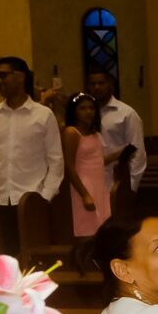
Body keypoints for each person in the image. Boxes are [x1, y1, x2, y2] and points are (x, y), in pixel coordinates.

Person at [0, 56, 65, 212]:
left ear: (21, 76)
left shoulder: (43, 115)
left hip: (32, 199)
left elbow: (56, 161)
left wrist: (44, 198)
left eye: (3, 75)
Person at [62, 92, 114, 237]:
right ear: (74, 111)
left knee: (101, 229)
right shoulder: (72, 132)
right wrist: (85, 194)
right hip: (83, 187)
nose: (88, 112)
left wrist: (119, 154)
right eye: (82, 108)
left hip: (99, 185)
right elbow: (69, 166)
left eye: (91, 108)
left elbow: (98, 161)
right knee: (86, 229)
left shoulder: (95, 133)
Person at [87, 69, 146, 193]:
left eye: (101, 83)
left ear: (110, 85)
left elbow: (137, 152)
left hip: (116, 182)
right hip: (90, 183)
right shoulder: (86, 114)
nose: (97, 87)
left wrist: (130, 188)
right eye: (93, 84)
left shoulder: (126, 113)